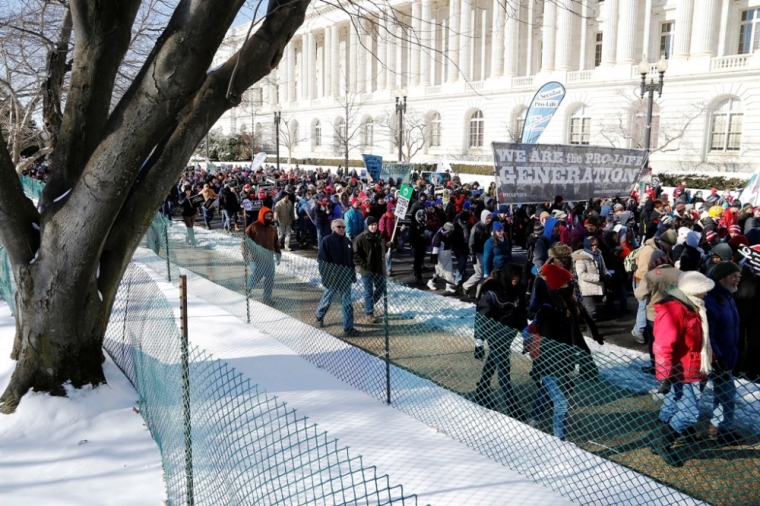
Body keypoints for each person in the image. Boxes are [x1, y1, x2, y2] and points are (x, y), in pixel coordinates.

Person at [528, 264, 604, 441]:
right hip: (548, 363)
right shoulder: (548, 308)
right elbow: (548, 340)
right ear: (557, 285)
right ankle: (559, 441)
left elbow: (575, 332)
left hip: (564, 360)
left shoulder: (568, 303)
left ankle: (533, 417)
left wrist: (582, 353)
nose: (570, 285)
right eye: (566, 282)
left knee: (546, 393)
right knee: (562, 403)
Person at [651, 271, 715, 467]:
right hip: (683, 371)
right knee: (689, 412)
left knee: (672, 404)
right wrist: (664, 375)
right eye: (704, 291)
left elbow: (701, 341)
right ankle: (664, 444)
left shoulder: (694, 307)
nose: (707, 294)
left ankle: (657, 441)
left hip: (694, 366)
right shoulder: (676, 311)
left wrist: (712, 358)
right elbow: (663, 345)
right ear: (694, 291)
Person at [472, 264, 526, 417]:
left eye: (518, 277)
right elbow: (481, 318)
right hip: (495, 335)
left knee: (492, 361)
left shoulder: (517, 291)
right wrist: (479, 342)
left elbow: (521, 313)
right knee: (504, 370)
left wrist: (526, 335)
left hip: (508, 335)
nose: (516, 280)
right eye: (513, 277)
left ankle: (481, 391)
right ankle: (513, 407)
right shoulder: (491, 293)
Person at [705, 262, 742, 442]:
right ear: (722, 278)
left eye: (739, 277)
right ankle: (677, 428)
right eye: (734, 276)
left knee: (725, 393)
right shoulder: (710, 298)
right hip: (711, 358)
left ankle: (720, 428)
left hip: (725, 354)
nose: (737, 280)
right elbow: (707, 333)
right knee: (692, 393)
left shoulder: (727, 295)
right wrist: (716, 357)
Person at [633, 251, 681, 373]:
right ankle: (674, 366)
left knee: (655, 341)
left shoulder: (651, 275)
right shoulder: (680, 274)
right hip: (675, 314)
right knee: (673, 341)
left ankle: (656, 366)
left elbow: (639, 294)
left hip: (654, 315)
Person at [315, 219, 360, 336]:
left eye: (344, 227)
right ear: (333, 228)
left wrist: (352, 275)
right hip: (332, 277)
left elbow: (351, 262)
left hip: (345, 277)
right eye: (339, 227)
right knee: (327, 298)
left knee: (347, 303)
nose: (341, 229)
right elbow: (322, 262)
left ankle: (348, 327)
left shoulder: (347, 242)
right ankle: (319, 315)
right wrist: (326, 277)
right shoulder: (327, 241)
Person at [631, 228, 677, 343]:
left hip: (650, 280)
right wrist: (650, 282)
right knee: (644, 306)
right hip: (642, 280)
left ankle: (642, 329)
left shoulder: (657, 249)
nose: (670, 248)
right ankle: (638, 332)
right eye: (670, 245)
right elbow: (643, 270)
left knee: (647, 306)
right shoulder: (650, 251)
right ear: (665, 242)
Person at [244, 207, 281, 305]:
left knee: (270, 278)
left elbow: (276, 242)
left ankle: (267, 298)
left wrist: (278, 253)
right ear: (262, 215)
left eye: (270, 216)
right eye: (267, 215)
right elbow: (244, 242)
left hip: (269, 258)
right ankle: (247, 290)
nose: (269, 217)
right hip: (256, 258)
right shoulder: (253, 227)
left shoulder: (271, 228)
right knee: (256, 276)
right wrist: (246, 256)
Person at [353, 216, 386, 324]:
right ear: (367, 226)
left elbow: (382, 250)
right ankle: (369, 313)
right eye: (371, 225)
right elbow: (355, 254)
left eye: (375, 225)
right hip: (366, 270)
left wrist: (389, 246)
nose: (373, 227)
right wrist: (364, 265)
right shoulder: (360, 238)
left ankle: (369, 303)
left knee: (381, 288)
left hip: (378, 268)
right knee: (368, 291)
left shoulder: (379, 236)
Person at [571, 236, 609, 321]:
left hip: (598, 286)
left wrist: (607, 275)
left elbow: (603, 268)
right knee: (591, 312)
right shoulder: (581, 258)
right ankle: (590, 331)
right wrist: (598, 277)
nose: (594, 247)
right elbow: (581, 274)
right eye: (592, 245)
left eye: (596, 245)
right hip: (586, 288)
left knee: (596, 311)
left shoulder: (599, 255)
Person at [463, 210, 492, 299]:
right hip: (477, 253)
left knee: (484, 274)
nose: (489, 220)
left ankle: (478, 294)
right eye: (487, 218)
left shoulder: (488, 226)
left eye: (490, 218)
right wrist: (472, 255)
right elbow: (471, 242)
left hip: (485, 252)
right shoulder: (476, 228)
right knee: (479, 273)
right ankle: (466, 285)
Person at [427, 223, 458, 293]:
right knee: (439, 272)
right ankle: (431, 282)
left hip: (447, 255)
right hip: (441, 256)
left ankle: (448, 286)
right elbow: (435, 247)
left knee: (449, 272)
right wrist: (434, 258)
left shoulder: (447, 235)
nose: (451, 232)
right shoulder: (439, 236)